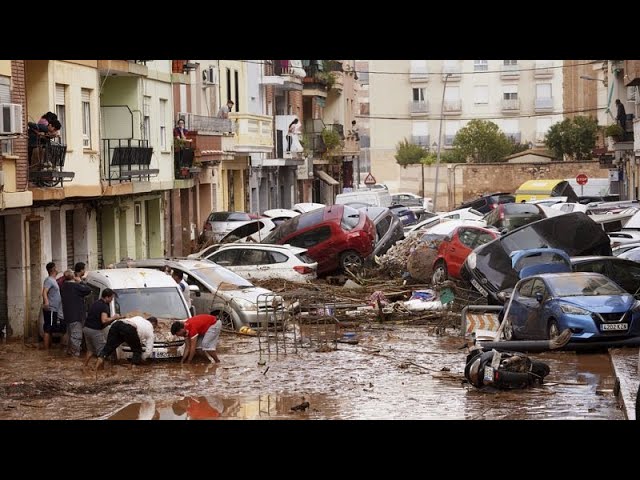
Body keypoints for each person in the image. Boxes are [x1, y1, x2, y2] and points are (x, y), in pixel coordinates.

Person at [83, 288, 122, 367]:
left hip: (86, 329)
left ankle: (84, 366)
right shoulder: (104, 306)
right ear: (107, 297)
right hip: (95, 331)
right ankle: (99, 370)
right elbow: (104, 320)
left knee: (90, 350)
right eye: (111, 298)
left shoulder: (96, 303)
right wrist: (114, 317)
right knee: (103, 352)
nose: (111, 300)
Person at [60, 268, 92, 357]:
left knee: (70, 335)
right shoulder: (75, 286)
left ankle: (70, 353)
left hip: (67, 316)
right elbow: (88, 290)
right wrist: (81, 281)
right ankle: (75, 356)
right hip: (76, 316)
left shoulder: (64, 286)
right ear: (73, 276)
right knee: (76, 336)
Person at [42, 262, 65, 350]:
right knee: (48, 328)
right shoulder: (49, 280)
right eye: (56, 267)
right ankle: (46, 351)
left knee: (50, 328)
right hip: (51, 308)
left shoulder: (53, 279)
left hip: (54, 309)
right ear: (53, 269)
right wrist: (47, 302)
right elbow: (44, 292)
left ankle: (48, 349)